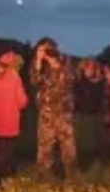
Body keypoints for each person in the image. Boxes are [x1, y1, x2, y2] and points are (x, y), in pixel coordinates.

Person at [30, 38, 76, 176]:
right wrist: (38, 60)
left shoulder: (66, 61)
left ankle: (72, 173)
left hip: (64, 111)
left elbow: (70, 79)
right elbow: (34, 82)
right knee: (45, 145)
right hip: (46, 111)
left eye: (49, 48)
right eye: (44, 49)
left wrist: (53, 61)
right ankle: (44, 174)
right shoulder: (39, 65)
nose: (47, 52)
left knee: (68, 145)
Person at [0, 51, 29, 185]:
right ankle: (4, 179)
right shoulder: (15, 77)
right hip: (9, 123)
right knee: (7, 154)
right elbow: (22, 101)